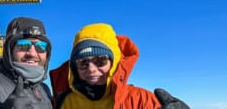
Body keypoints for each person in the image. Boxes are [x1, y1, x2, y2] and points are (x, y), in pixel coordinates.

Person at [50, 23, 189, 109]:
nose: (91, 69)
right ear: (74, 68)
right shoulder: (61, 102)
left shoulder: (141, 100)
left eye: (100, 61)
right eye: (83, 63)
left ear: (114, 63)